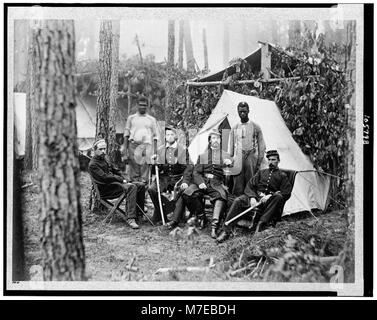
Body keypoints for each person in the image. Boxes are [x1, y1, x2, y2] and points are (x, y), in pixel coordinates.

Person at [216, 150, 292, 243]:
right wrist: (252, 197)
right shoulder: (261, 172)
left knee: (278, 197)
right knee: (238, 200)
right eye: (269, 160)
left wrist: (271, 195)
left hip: (269, 203)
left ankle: (261, 225)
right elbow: (250, 185)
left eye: (273, 160)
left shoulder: (282, 176)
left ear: (278, 161)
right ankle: (226, 230)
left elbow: (286, 192)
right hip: (256, 198)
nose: (271, 162)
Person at [183, 129, 233, 239]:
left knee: (221, 196)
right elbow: (196, 172)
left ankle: (214, 227)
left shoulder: (225, 155)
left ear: (220, 141)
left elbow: (232, 167)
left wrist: (230, 163)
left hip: (216, 183)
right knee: (188, 193)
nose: (215, 140)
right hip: (203, 181)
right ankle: (201, 217)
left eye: (218, 138)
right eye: (213, 138)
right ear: (210, 141)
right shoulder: (203, 155)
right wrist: (200, 182)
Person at [89, 139, 145, 229]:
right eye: (100, 149)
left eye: (104, 149)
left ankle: (139, 214)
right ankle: (130, 218)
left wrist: (125, 178)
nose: (103, 151)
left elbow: (115, 170)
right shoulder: (93, 164)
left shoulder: (105, 159)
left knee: (140, 185)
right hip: (106, 190)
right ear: (94, 150)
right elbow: (105, 177)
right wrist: (120, 180)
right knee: (132, 187)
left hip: (113, 185)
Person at [148, 126, 193, 226]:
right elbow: (154, 172)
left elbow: (188, 168)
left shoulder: (182, 150)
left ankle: (176, 216)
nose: (169, 137)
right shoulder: (160, 150)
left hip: (178, 177)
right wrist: (154, 163)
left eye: (172, 134)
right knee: (152, 190)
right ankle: (163, 213)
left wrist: (185, 181)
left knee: (183, 190)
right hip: (164, 178)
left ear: (176, 136)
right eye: (167, 135)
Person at [228, 101, 266, 196]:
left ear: (248, 111)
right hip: (239, 157)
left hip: (251, 157)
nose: (242, 113)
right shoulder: (234, 127)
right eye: (240, 111)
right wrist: (231, 160)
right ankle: (237, 204)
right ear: (237, 112)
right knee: (238, 183)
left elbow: (262, 146)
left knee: (251, 182)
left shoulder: (256, 127)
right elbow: (231, 147)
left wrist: (258, 161)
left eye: (244, 111)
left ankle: (250, 204)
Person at [121, 96, 159, 183]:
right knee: (134, 172)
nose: (143, 107)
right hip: (133, 146)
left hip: (146, 146)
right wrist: (125, 151)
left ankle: (143, 194)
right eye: (141, 105)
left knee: (144, 172)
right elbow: (126, 135)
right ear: (137, 105)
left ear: (147, 106)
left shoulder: (151, 120)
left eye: (144, 105)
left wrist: (155, 153)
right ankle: (134, 193)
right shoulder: (131, 118)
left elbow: (155, 137)